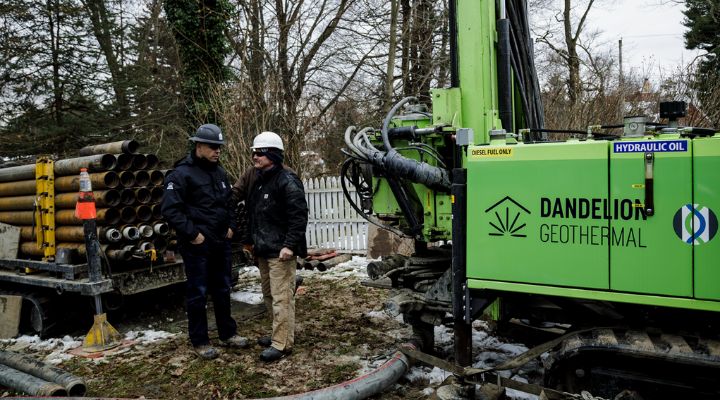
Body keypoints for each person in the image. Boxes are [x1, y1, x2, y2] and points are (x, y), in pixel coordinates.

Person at [161, 124, 249, 359]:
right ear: (198, 146)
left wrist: (232, 225)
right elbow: (170, 209)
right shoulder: (181, 174)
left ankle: (227, 334)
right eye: (213, 147)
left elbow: (228, 203)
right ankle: (200, 341)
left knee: (223, 288)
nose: (217, 151)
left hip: (221, 243)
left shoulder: (219, 173)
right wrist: (192, 234)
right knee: (198, 293)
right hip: (197, 245)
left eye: (220, 147)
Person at [242, 131, 308, 362]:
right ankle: (278, 335)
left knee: (282, 298)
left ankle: (282, 345)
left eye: (259, 152)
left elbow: (298, 216)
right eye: (254, 152)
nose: (255, 156)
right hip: (264, 250)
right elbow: (257, 216)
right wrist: (250, 242)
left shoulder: (287, 180)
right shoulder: (260, 181)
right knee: (269, 296)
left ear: (272, 154)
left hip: (281, 252)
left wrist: (290, 245)